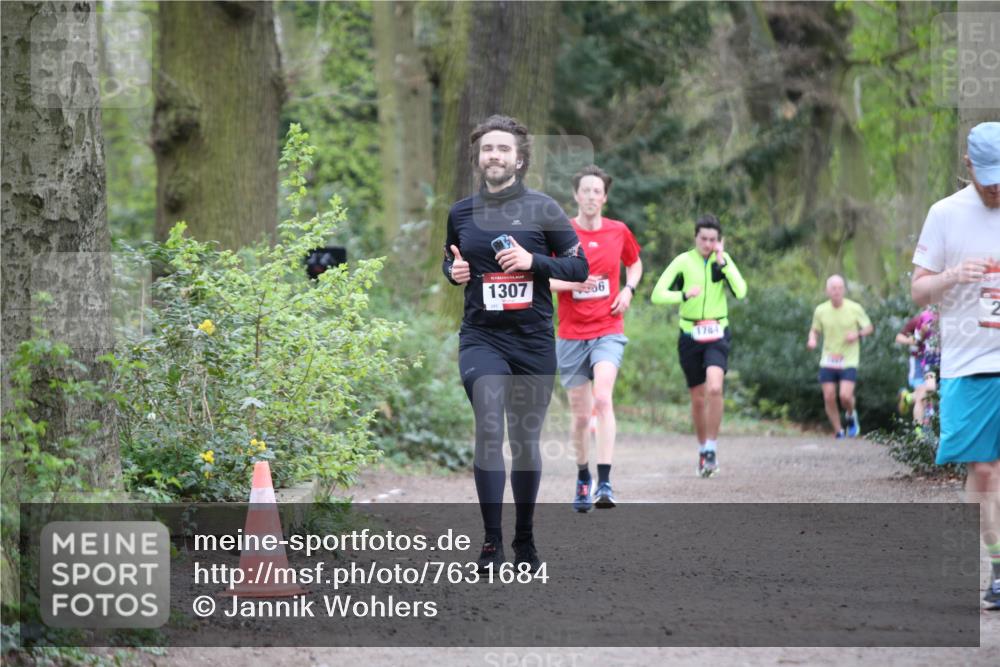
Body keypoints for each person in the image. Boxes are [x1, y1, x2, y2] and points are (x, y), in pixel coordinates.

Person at [442, 114, 588, 572]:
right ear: (478, 158)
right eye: (488, 149)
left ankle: (524, 538)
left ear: (520, 159)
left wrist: (533, 260)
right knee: (489, 425)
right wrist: (454, 273)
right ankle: (490, 542)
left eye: (503, 149)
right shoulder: (460, 212)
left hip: (532, 341)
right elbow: (451, 262)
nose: (495, 156)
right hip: (482, 337)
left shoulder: (544, 209)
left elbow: (579, 269)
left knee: (524, 439)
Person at [911, 121, 1000, 609]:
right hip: (969, 360)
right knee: (983, 471)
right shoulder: (944, 214)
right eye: (988, 180)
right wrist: (950, 276)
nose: (995, 189)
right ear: (968, 165)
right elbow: (919, 289)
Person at [549, 165, 642, 512]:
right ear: (576, 195)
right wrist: (572, 284)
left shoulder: (618, 231)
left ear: (604, 197)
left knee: (603, 398)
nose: (590, 196)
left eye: (596, 191)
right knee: (580, 415)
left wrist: (629, 290)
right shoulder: (561, 233)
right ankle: (583, 476)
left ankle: (605, 481)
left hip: (608, 328)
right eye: (585, 190)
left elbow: (635, 263)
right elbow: (543, 278)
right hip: (571, 334)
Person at [650, 214, 746, 477]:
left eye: (713, 239)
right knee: (697, 397)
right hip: (690, 334)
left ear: (719, 241)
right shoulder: (683, 261)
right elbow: (657, 294)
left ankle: (712, 448)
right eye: (703, 239)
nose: (707, 243)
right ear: (695, 238)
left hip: (717, 331)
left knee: (715, 386)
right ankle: (703, 448)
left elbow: (741, 290)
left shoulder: (722, 261)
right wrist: (682, 295)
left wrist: (723, 263)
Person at [806, 275, 874, 438]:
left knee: (845, 396)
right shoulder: (821, 310)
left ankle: (851, 414)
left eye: (839, 288)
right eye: (833, 288)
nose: (836, 291)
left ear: (844, 290)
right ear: (827, 290)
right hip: (828, 358)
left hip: (849, 359)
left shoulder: (854, 308)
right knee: (829, 396)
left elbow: (869, 327)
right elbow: (815, 330)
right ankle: (838, 431)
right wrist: (812, 339)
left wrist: (857, 334)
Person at [895, 307, 939, 424]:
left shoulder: (944, 323)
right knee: (923, 397)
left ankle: (907, 398)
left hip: (932, 362)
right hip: (917, 362)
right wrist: (911, 341)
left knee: (929, 391)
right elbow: (899, 337)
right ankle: (920, 433)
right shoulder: (917, 321)